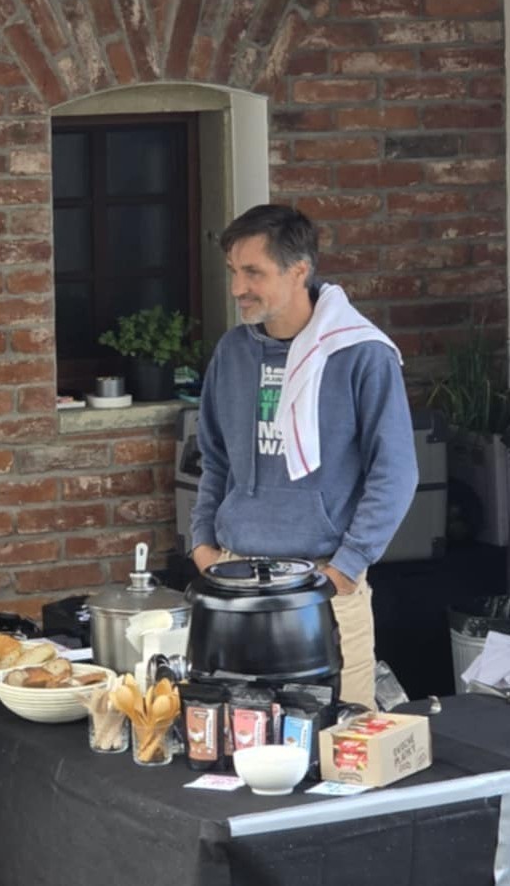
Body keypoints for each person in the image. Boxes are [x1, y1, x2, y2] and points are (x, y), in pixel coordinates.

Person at [189, 204, 417, 708]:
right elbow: (214, 458)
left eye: (253, 272)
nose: (237, 287)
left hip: (323, 586)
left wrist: (345, 569)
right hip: (234, 582)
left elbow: (396, 472)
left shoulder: (362, 353)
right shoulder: (232, 351)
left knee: (340, 739)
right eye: (233, 271)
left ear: (299, 271)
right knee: (234, 743)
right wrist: (202, 543)